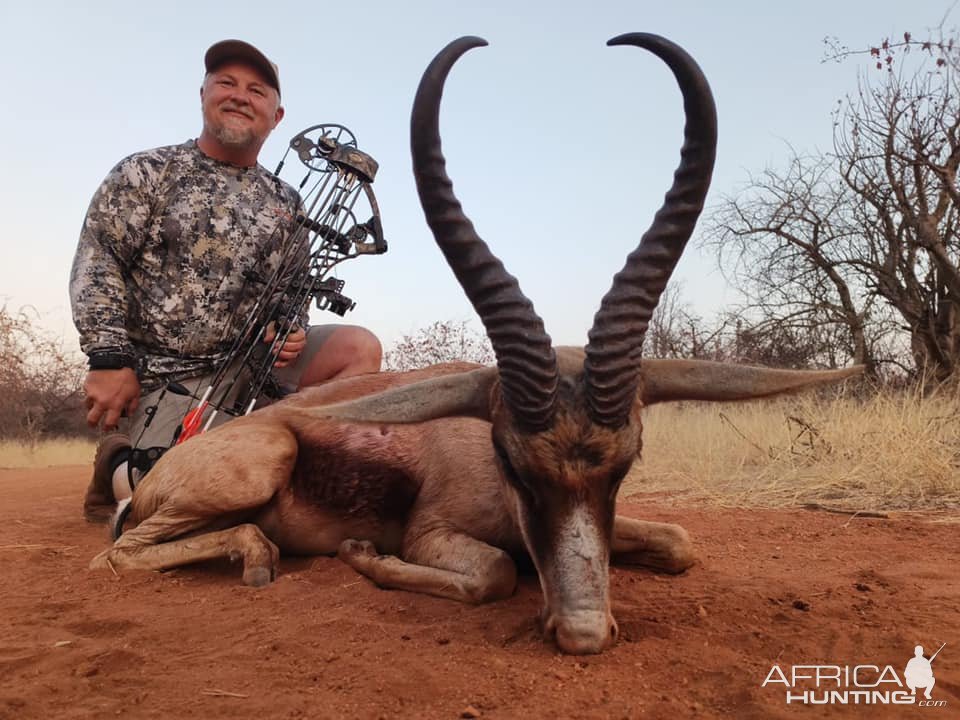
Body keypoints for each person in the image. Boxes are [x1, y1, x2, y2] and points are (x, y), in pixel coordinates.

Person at [70, 39, 382, 523]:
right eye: (227, 83)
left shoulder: (288, 202)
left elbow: (294, 288)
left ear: (276, 117)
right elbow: (99, 260)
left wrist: (290, 328)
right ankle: (116, 464)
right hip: (166, 377)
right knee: (170, 497)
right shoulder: (148, 171)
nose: (240, 96)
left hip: (255, 368)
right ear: (203, 94)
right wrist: (109, 357)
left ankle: (312, 471)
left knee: (358, 348)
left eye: (257, 91)